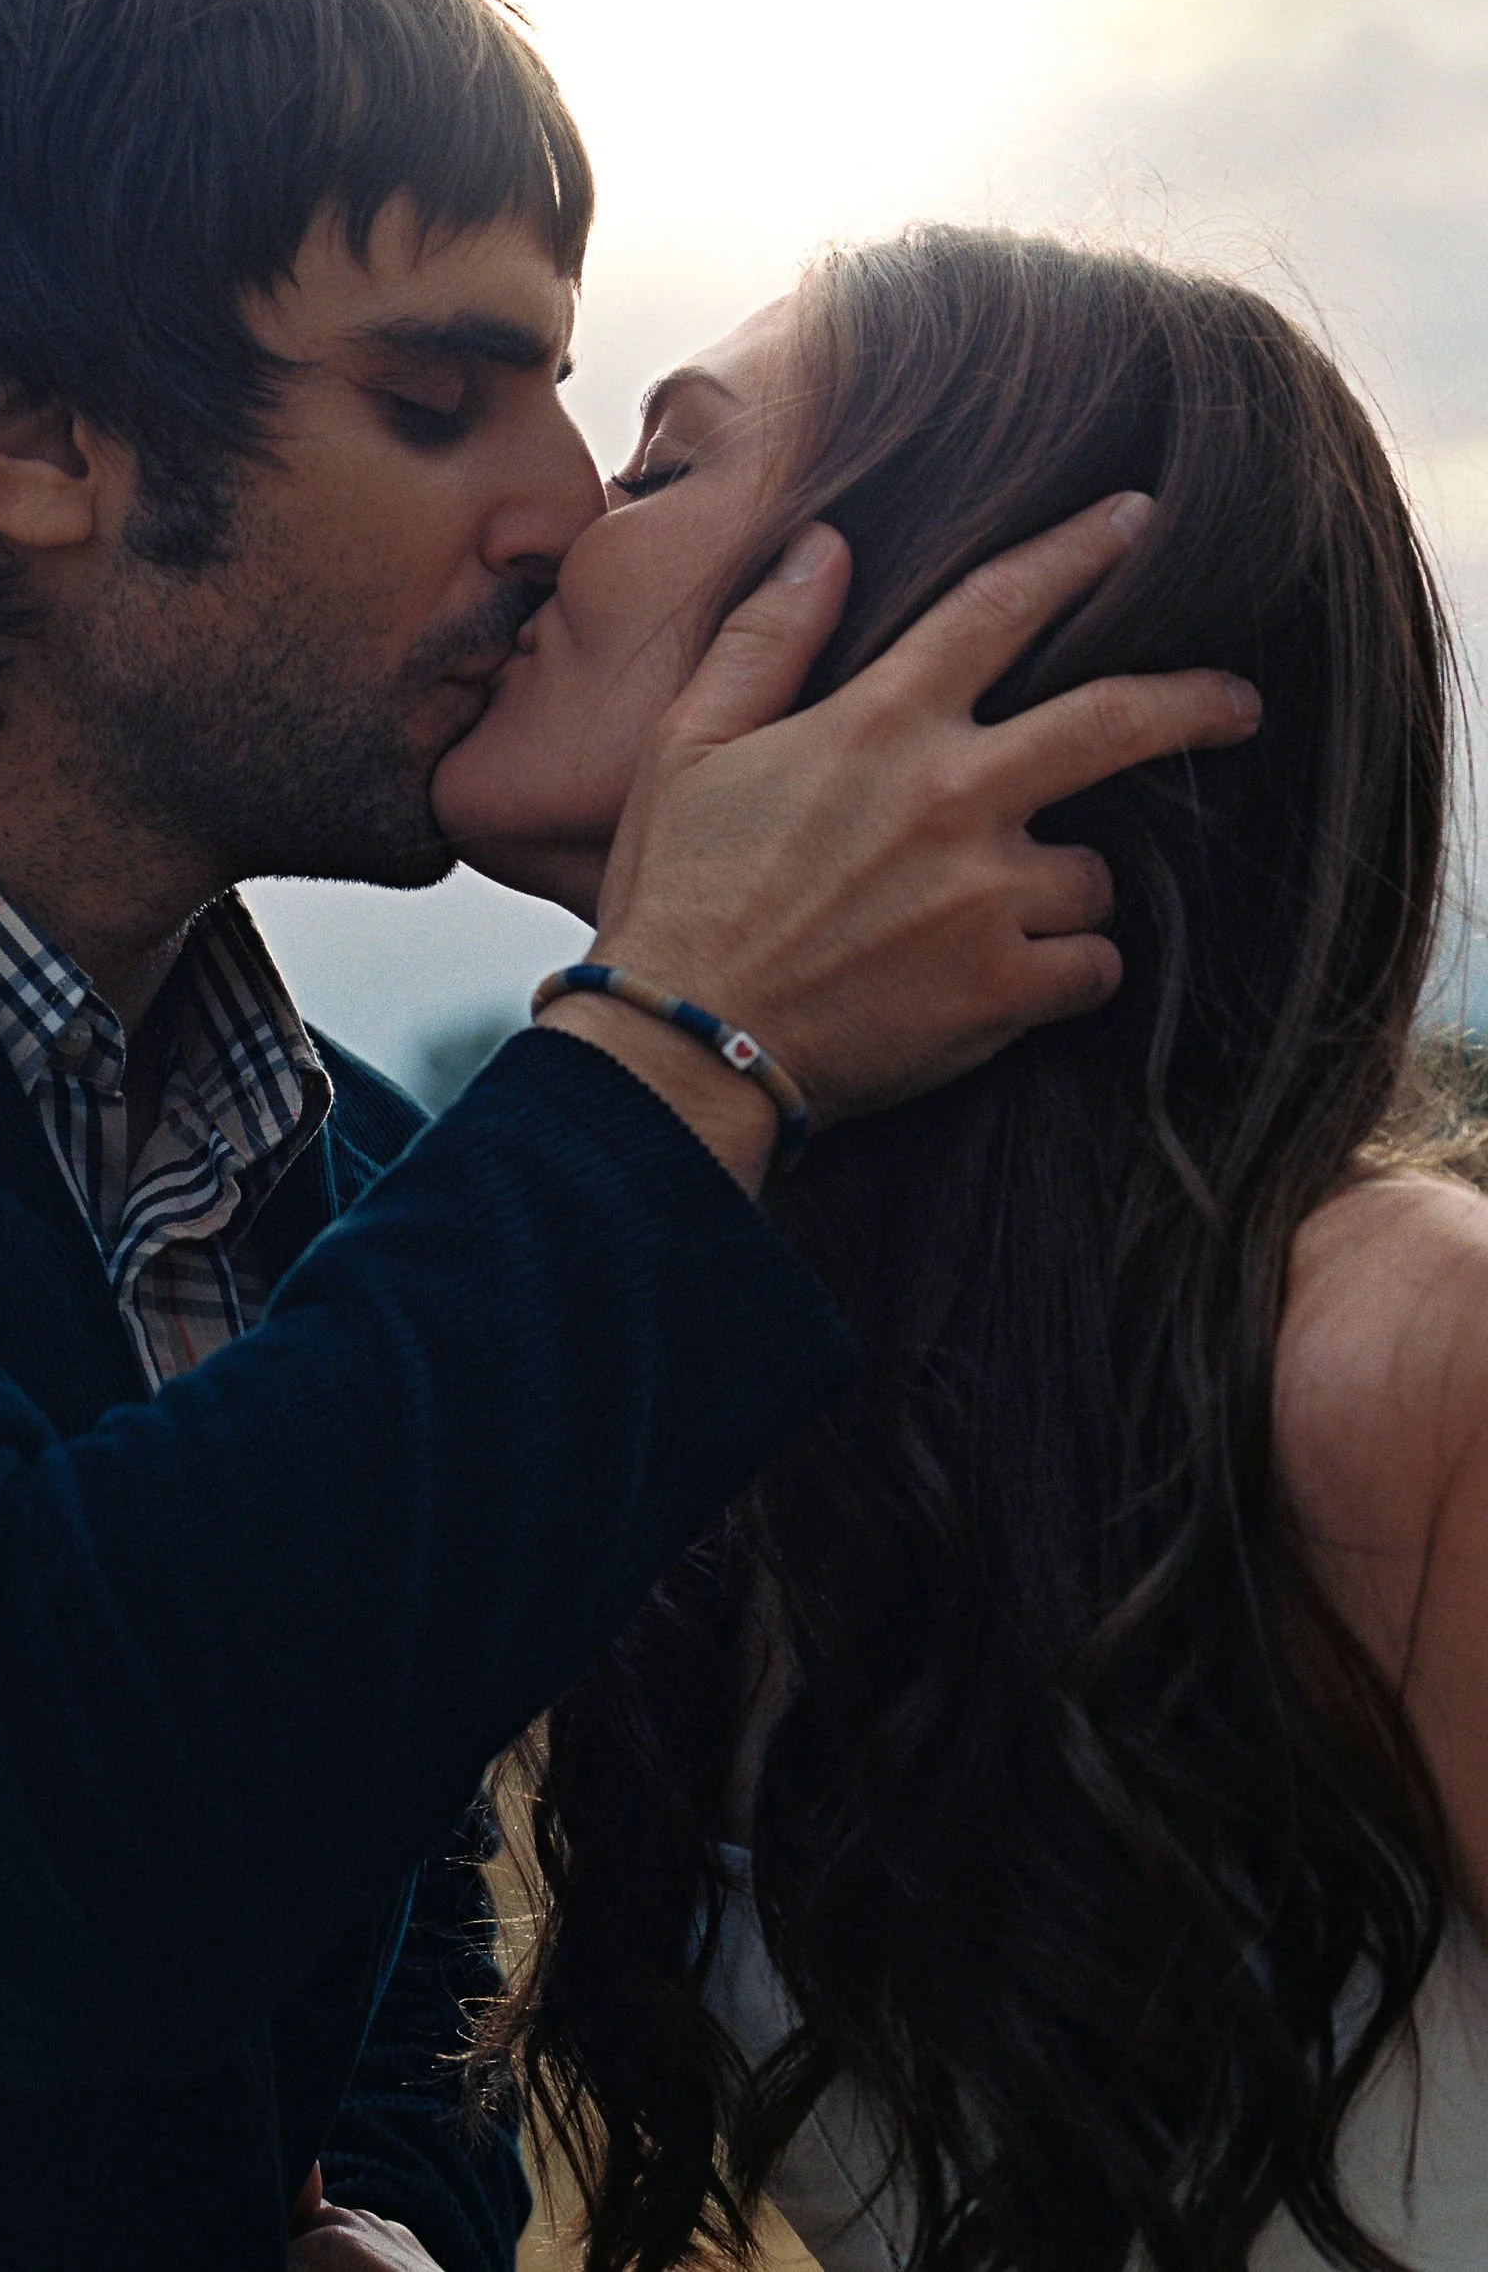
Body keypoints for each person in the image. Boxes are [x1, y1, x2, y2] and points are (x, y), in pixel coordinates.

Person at [0, 0, 1254, 2272]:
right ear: (36, 439)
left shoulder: (367, 1164)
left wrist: (394, 2210)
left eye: (571, 394)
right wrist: (689, 1029)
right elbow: (23, 1791)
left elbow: (397, 1926)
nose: (558, 507)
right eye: (439, 394)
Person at [439, 223, 1488, 2272]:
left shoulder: (1385, 1360)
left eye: (658, 468)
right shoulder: (736, 1398)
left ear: (953, 625)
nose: (557, 528)